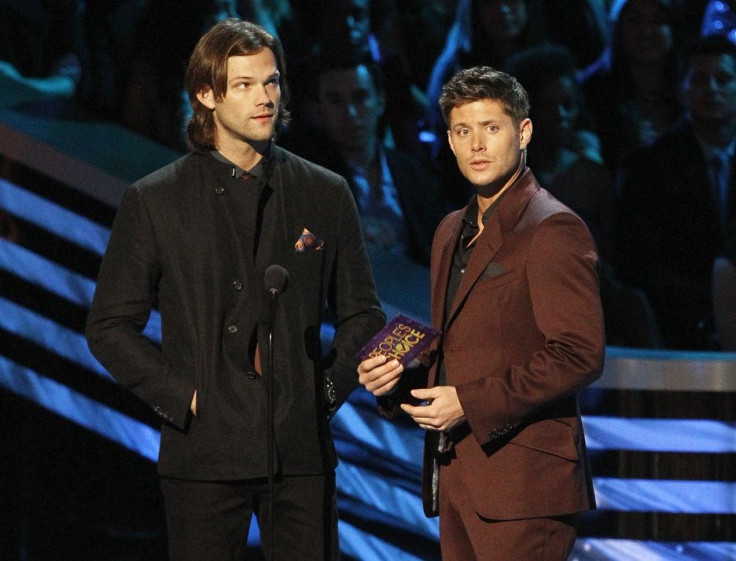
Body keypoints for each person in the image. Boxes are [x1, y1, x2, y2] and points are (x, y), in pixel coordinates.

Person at [86, 17, 385, 561]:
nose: (264, 97)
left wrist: (323, 393)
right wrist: (185, 396)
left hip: (300, 454)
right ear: (206, 94)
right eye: (244, 85)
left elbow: (362, 314)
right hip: (204, 455)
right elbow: (108, 327)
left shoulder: (325, 192)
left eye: (271, 82)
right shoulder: (155, 200)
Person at [358, 66, 605, 560]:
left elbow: (579, 354)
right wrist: (394, 378)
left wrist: (468, 403)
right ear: (448, 141)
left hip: (525, 488)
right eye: (463, 131)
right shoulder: (450, 229)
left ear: (524, 132)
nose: (477, 145)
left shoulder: (553, 228)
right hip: (458, 479)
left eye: (491, 128)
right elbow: (457, 349)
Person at [614, 34, 736, 350]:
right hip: (680, 327)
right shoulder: (650, 166)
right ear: (682, 91)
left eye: (723, 79)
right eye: (700, 79)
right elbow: (639, 260)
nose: (712, 89)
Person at [284, 56, 446, 266]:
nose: (350, 113)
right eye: (335, 101)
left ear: (380, 102)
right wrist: (344, 231)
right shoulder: (306, 176)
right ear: (319, 110)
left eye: (360, 97)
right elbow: (296, 247)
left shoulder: (414, 173)